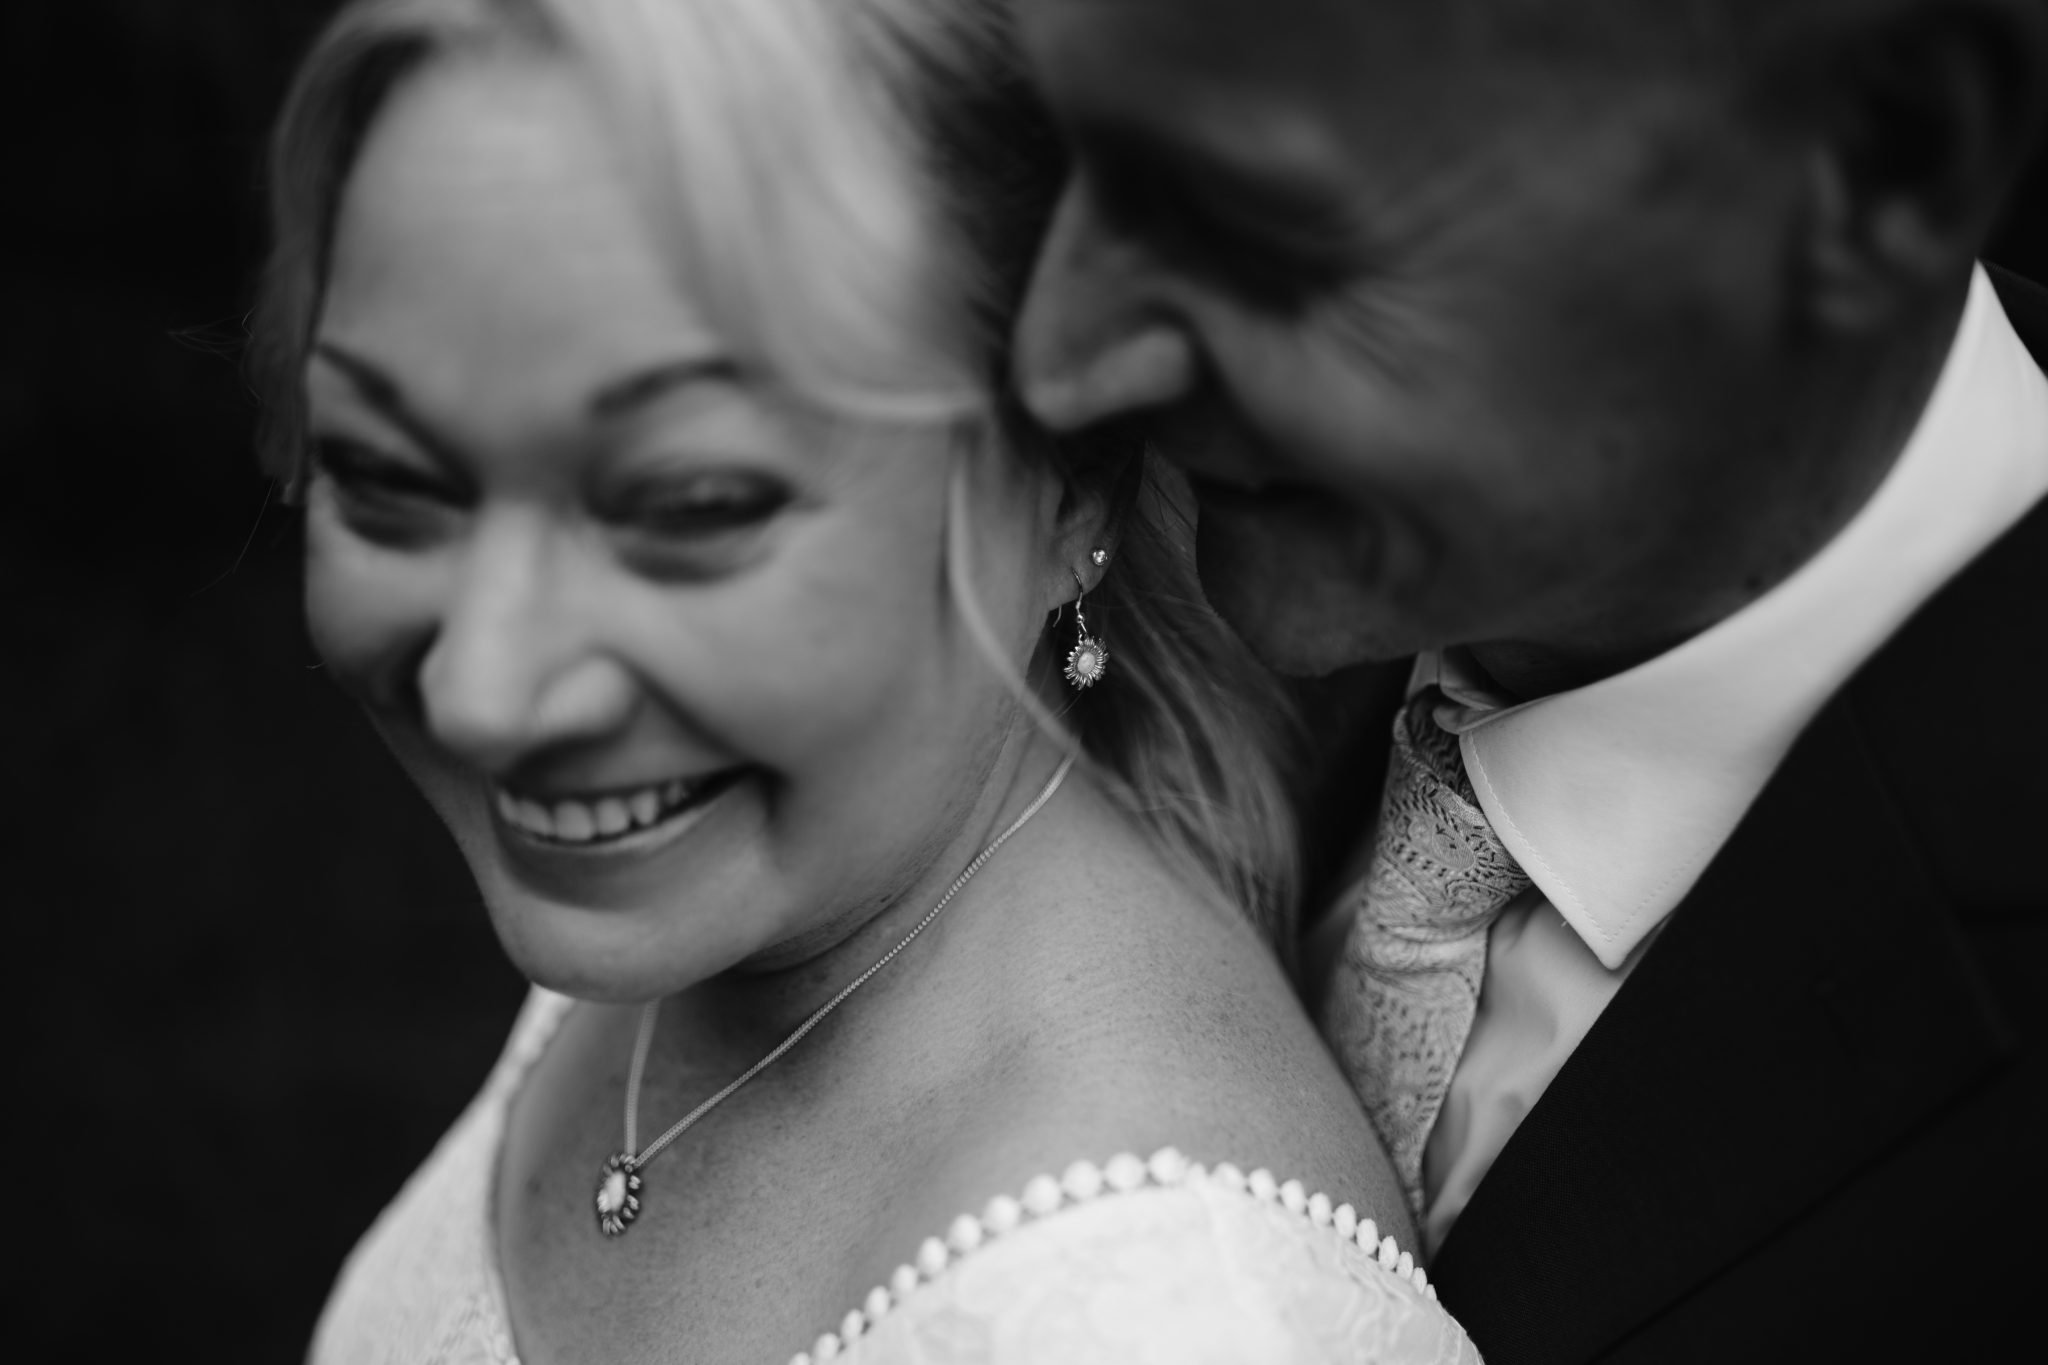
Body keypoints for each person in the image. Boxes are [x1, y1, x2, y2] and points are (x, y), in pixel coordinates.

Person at [254, 0, 1480, 1360]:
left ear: (1066, 479)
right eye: (387, 479)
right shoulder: (707, 887)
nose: (486, 690)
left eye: (691, 505)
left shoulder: (1170, 1311)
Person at [1009, 0, 2048, 1359]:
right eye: (1066, 157)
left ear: (1882, 161)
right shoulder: (1072, 564)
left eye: (1263, 223)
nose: (1061, 360)